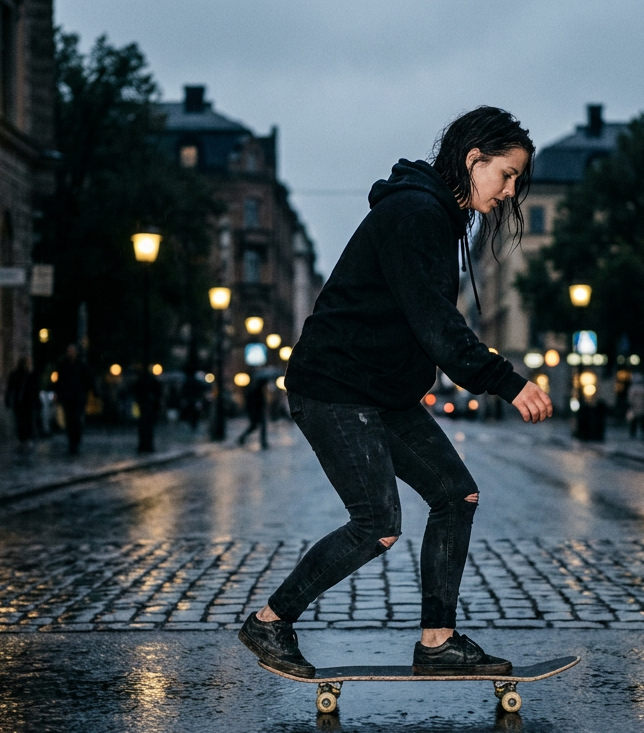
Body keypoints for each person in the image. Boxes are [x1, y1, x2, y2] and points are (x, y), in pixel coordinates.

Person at [238, 107, 552, 679]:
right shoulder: (415, 214)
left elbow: (426, 325)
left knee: (456, 495)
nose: (509, 192)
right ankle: (269, 622)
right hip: (335, 386)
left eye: (516, 181)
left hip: (381, 393)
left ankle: (437, 643)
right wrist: (506, 381)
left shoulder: (439, 219)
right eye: (505, 175)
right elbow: (437, 326)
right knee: (376, 524)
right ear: (472, 160)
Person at [53, 344, 94, 454]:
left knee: (77, 420)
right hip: (67, 397)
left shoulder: (81, 366)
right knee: (70, 420)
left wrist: (86, 392)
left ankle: (76, 442)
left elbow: (88, 380)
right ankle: (72, 443)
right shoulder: (63, 365)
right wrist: (57, 393)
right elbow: (58, 381)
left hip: (78, 397)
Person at [4, 357, 38, 448]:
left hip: (27, 402)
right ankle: (24, 438)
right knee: (21, 421)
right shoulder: (17, 375)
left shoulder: (30, 375)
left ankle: (27, 438)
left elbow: (34, 389)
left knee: (27, 421)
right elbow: (10, 388)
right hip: (20, 402)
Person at [133, 365, 162, 453]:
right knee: (146, 427)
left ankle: (145, 445)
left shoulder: (143, 382)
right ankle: (146, 446)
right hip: (147, 408)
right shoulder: (152, 382)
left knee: (145, 427)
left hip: (146, 408)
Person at [237, 377, 268, 449]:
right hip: (256, 412)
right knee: (257, 426)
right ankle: (263, 442)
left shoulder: (256, 390)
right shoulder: (256, 391)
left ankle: (242, 438)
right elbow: (255, 402)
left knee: (254, 427)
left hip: (255, 412)